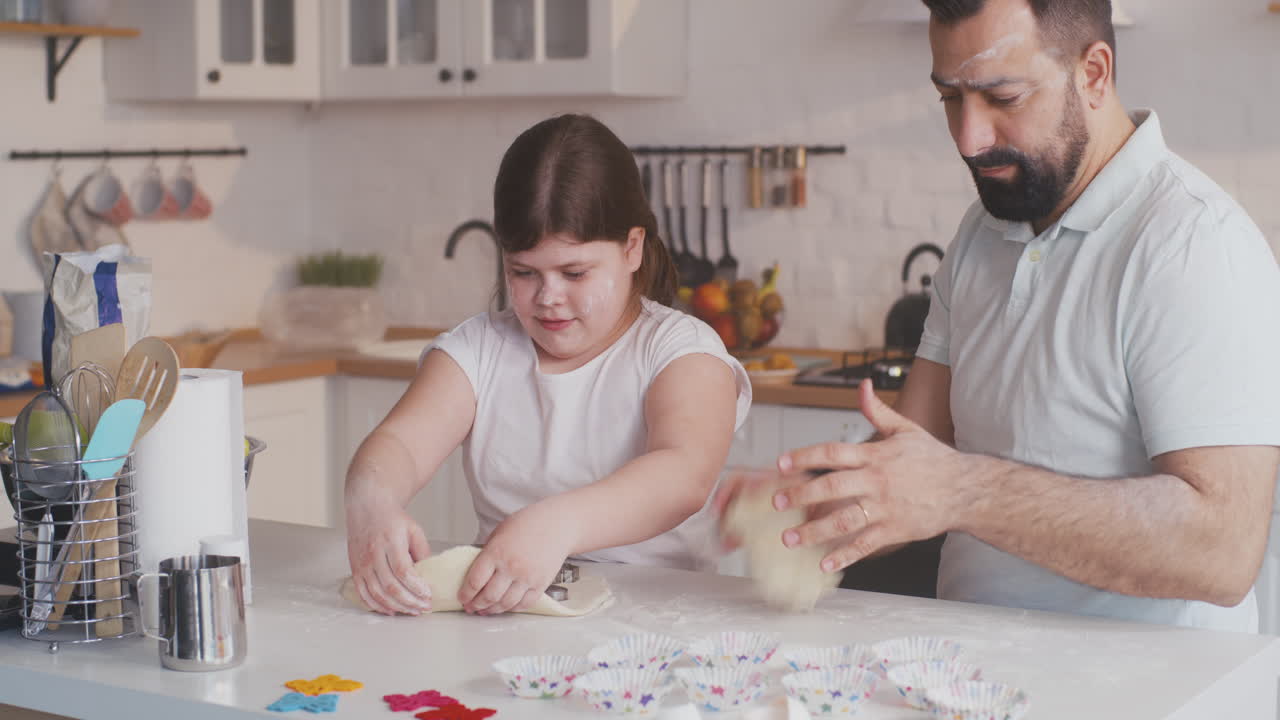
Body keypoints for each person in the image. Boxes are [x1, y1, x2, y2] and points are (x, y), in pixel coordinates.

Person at [719, 0, 1280, 631]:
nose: (968, 138)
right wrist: (804, 507)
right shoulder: (982, 236)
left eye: (1003, 97)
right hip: (970, 675)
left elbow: (1224, 551)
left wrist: (965, 491)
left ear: (1094, 74)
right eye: (950, 99)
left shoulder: (1194, 244)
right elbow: (923, 457)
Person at [346, 114, 752, 617]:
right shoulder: (479, 350)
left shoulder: (680, 350)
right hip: (499, 619)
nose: (548, 298)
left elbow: (683, 473)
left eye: (574, 272)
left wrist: (557, 524)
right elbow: (397, 445)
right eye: (523, 272)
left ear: (632, 247)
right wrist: (373, 504)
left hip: (656, 625)